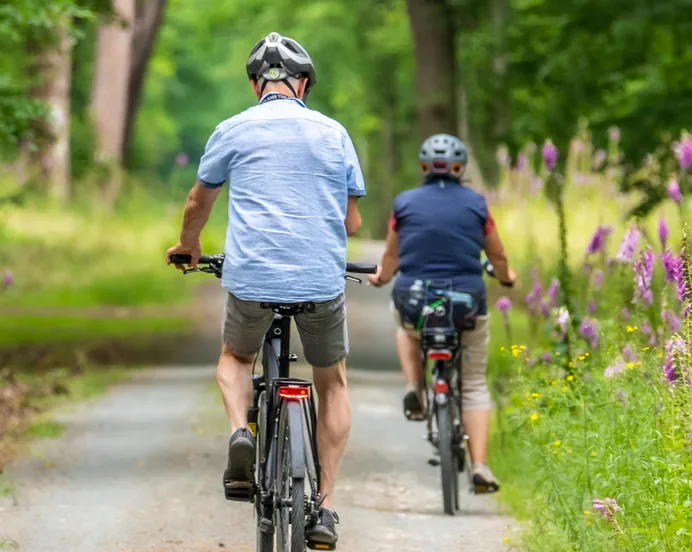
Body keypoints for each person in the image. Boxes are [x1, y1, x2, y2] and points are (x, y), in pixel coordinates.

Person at [165, 32, 365, 546]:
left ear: (257, 84)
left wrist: (189, 246)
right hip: (320, 280)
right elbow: (353, 220)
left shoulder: (232, 129)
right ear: (303, 84)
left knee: (235, 357)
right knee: (333, 381)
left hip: (252, 277)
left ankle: (240, 432)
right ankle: (324, 508)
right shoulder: (334, 132)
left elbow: (197, 202)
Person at [368, 133, 516, 493]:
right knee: (475, 384)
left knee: (404, 325)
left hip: (416, 301)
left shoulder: (404, 203)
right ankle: (480, 465)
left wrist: (382, 277)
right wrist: (508, 277)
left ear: (423, 166)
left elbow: (391, 256)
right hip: (466, 302)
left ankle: (414, 386)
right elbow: (496, 254)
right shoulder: (477, 204)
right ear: (460, 166)